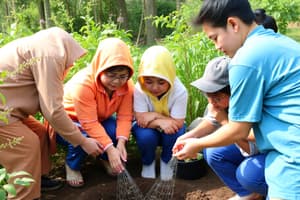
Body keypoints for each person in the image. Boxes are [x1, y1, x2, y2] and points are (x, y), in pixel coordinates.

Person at [173, 0, 300, 199]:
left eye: (215, 38)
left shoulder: (245, 59)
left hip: (293, 153)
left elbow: (238, 129)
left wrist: (197, 145)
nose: (216, 47)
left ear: (233, 24)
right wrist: (193, 137)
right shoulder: (279, 42)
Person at [0, 27, 102, 200]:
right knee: (26, 145)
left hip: (9, 107)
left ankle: (38, 179)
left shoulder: (44, 48)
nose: (71, 64)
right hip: (3, 112)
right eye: (72, 60)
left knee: (39, 132)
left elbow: (47, 101)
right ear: (66, 49)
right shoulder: (51, 56)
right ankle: (23, 195)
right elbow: (53, 110)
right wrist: (83, 141)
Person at [177, 56, 266, 200]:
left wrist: (225, 122)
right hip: (247, 144)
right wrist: (187, 137)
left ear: (235, 91)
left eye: (217, 98)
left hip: (266, 150)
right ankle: (247, 193)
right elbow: (212, 120)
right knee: (213, 152)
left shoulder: (251, 103)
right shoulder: (219, 103)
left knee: (248, 175)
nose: (212, 102)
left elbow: (250, 141)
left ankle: (267, 191)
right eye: (208, 96)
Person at [57, 37, 135, 188]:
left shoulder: (127, 86)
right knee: (82, 138)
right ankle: (72, 165)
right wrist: (110, 148)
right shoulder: (83, 84)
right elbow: (88, 123)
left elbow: (125, 116)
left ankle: (105, 158)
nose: (117, 82)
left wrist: (121, 143)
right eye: (111, 75)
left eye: (122, 76)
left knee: (114, 132)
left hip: (99, 119)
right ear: (100, 69)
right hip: (69, 122)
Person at [132, 45, 188, 180]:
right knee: (146, 137)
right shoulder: (139, 89)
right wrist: (161, 120)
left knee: (175, 131)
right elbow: (140, 118)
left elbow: (178, 122)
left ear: (170, 77)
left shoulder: (180, 91)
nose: (155, 88)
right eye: (149, 82)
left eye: (161, 82)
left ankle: (166, 162)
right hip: (146, 128)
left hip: (170, 127)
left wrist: (153, 116)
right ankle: (148, 162)